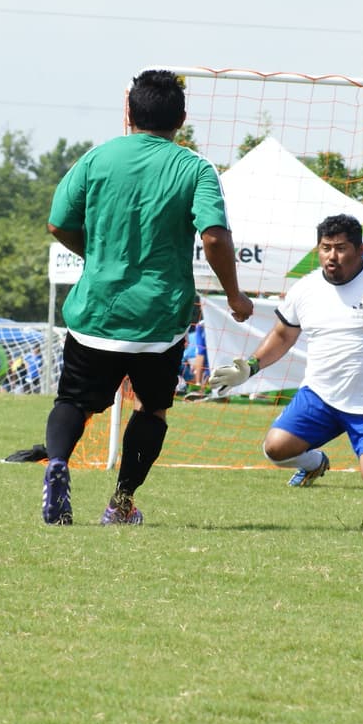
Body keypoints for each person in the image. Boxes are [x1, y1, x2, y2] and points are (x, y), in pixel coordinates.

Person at [41, 70, 254, 526]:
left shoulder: (96, 158)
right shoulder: (195, 168)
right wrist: (235, 296)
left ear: (129, 112)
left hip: (96, 311)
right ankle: (121, 503)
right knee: (151, 408)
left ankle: (57, 463)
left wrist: (95, 257)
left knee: (72, 401)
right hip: (159, 320)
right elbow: (214, 237)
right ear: (181, 118)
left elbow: (58, 223)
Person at [207, 214, 363, 493]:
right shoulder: (305, 288)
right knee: (275, 448)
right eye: (325, 248)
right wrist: (250, 367)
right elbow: (283, 335)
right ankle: (314, 463)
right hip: (320, 395)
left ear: (360, 250)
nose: (332, 256)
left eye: (340, 248)